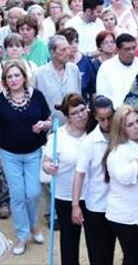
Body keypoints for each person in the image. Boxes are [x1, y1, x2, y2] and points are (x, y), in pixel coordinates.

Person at [0, 60, 52, 255]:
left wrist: (44, 125)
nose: (13, 79)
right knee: (18, 195)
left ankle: (34, 226)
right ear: (4, 80)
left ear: (24, 76)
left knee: (34, 193)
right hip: (9, 154)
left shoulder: (37, 96)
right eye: (9, 77)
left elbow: (48, 118)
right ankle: (22, 235)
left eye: (16, 75)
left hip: (33, 153)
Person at [104, 105, 138, 265]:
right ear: (122, 129)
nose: (137, 127)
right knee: (135, 259)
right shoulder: (118, 151)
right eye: (130, 125)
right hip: (127, 218)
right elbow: (126, 176)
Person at [42, 93, 90, 265]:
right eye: (75, 113)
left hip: (92, 196)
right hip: (65, 196)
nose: (81, 115)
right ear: (67, 117)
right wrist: (48, 167)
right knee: (69, 243)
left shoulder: (93, 131)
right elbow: (45, 162)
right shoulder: (57, 137)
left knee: (95, 242)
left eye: (83, 110)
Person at [72, 96, 117, 265]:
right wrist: (75, 206)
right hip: (97, 208)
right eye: (102, 119)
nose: (106, 123)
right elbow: (79, 174)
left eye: (110, 117)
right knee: (99, 257)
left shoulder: (122, 137)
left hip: (118, 207)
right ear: (95, 117)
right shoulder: (89, 142)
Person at [34, 35, 82, 122]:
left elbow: (79, 97)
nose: (67, 52)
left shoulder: (74, 69)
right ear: (52, 52)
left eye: (68, 48)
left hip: (73, 124)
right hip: (49, 127)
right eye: (63, 50)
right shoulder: (39, 74)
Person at [96, 33, 138, 108]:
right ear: (117, 50)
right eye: (127, 49)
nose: (132, 52)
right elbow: (102, 96)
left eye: (133, 48)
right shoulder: (106, 67)